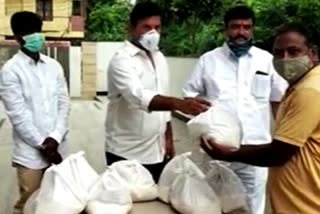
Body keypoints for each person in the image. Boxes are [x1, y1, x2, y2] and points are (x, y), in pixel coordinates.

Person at [201, 23, 320, 214]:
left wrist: (228, 153)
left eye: (293, 51)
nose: (285, 59)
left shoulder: (309, 90)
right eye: (278, 53)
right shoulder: (301, 85)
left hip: (304, 203)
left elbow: (279, 153)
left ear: (312, 53)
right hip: (297, 195)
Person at [183, 6, 288, 214]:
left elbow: (278, 101)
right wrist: (203, 119)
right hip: (217, 149)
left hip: (256, 149)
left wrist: (283, 139)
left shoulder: (266, 61)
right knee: (214, 202)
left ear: (252, 29)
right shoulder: (208, 60)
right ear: (225, 29)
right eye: (235, 27)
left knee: (252, 205)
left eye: (246, 27)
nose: (241, 32)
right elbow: (190, 95)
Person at [105, 2, 210, 182]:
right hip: (126, 152)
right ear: (130, 28)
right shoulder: (121, 60)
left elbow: (163, 98)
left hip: (157, 151)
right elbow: (137, 96)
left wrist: (168, 138)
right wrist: (181, 104)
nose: (152, 33)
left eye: (157, 27)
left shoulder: (158, 57)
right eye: (146, 27)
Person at [0, 11, 69, 214]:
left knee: (58, 202)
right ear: (17, 37)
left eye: (38, 31)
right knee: (29, 204)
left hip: (59, 147)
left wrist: (55, 137)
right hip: (31, 154)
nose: (36, 36)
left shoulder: (54, 66)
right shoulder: (11, 71)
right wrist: (43, 145)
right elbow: (18, 115)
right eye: (29, 32)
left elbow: (64, 104)